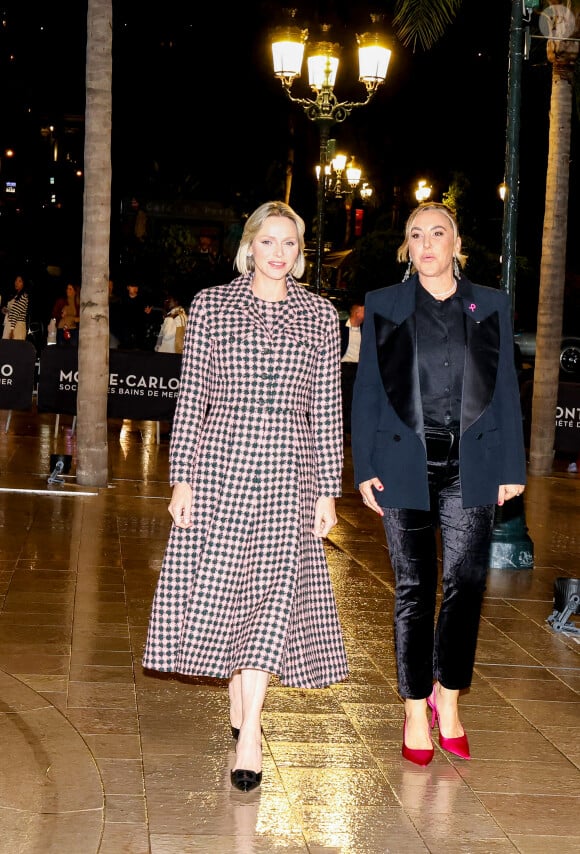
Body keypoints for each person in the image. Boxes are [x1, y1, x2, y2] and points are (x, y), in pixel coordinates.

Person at [143, 201, 348, 791]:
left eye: (289, 243)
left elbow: (328, 409)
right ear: (249, 247)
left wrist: (325, 490)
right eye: (268, 242)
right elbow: (193, 397)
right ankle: (241, 699)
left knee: (273, 595)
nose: (278, 253)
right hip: (221, 467)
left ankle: (251, 730)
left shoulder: (318, 315)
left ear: (299, 252)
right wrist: (182, 476)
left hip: (290, 468)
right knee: (228, 592)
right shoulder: (211, 306)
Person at [351, 202, 527, 766]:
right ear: (408, 247)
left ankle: (448, 701)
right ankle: (414, 707)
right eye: (416, 235)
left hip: (471, 464)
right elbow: (369, 393)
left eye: (438, 233)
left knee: (467, 584)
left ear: (456, 243)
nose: (427, 243)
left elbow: (505, 393)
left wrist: (511, 470)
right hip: (404, 462)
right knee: (413, 588)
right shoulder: (384, 305)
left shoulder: (490, 306)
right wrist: (364, 466)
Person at [340, 298, 365, 438]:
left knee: (356, 400)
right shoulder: (341, 328)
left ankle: (351, 428)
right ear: (356, 312)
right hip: (343, 368)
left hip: (358, 370)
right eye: (364, 310)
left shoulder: (366, 331)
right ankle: (341, 429)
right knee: (343, 399)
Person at [116, 281, 153, 349]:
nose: (135, 288)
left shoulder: (142, 299)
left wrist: (148, 313)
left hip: (139, 328)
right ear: (128, 287)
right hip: (126, 329)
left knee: (139, 346)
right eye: (132, 286)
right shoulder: (122, 299)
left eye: (136, 287)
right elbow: (119, 315)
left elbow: (146, 315)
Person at [2, 273, 29, 340]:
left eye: (19, 281)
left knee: (14, 348)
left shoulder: (24, 296)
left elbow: (16, 313)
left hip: (16, 327)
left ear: (23, 284)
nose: (16, 283)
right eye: (16, 280)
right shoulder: (15, 296)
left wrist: (11, 330)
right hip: (11, 325)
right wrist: (6, 310)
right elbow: (13, 311)